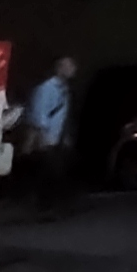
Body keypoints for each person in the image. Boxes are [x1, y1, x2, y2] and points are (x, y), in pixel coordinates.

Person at [26, 55, 78, 210]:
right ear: (60, 68)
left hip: (59, 136)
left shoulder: (65, 89)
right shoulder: (47, 88)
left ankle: (52, 204)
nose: (73, 70)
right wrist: (42, 136)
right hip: (49, 137)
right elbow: (40, 113)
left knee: (56, 172)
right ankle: (44, 205)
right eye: (69, 66)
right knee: (49, 172)